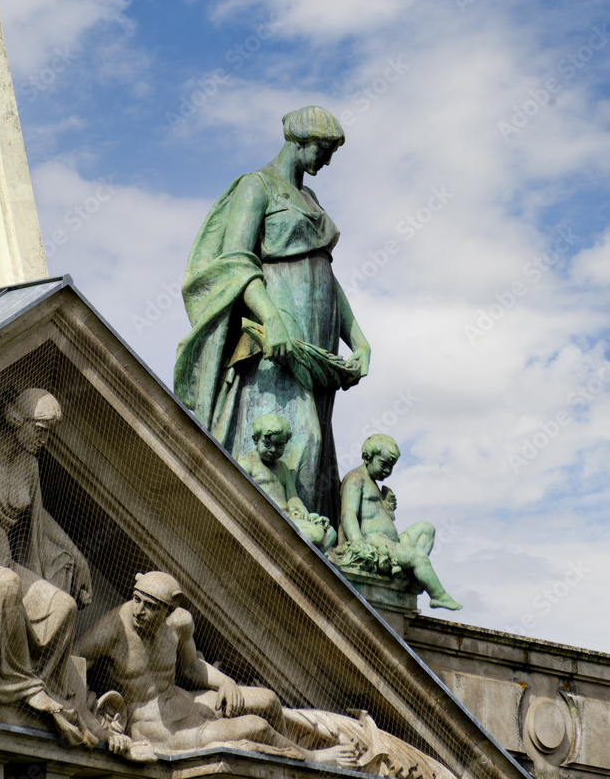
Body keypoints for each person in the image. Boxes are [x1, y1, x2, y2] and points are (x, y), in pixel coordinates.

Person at [174, 106, 371, 523]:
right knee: (299, 436)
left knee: (316, 451)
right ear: (298, 140)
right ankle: (264, 532)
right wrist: (272, 318)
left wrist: (358, 338)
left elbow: (326, 274)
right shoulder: (255, 186)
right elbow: (237, 263)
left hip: (317, 338)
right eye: (323, 148)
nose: (327, 160)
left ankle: (313, 540)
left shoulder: (310, 198)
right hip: (278, 335)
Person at [75, 571, 357, 766]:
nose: (138, 611)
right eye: (137, 600)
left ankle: (286, 755)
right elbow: (74, 660)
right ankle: (310, 759)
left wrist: (226, 682)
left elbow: (193, 667)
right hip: (157, 728)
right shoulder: (114, 628)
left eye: (150, 606)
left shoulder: (180, 624)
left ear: (169, 611)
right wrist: (92, 720)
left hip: (182, 699)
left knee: (269, 700)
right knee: (255, 726)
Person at [0, 389, 95, 746]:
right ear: (17, 420)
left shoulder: (30, 466)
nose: (44, 440)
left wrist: (79, 556)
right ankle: (7, 682)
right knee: (6, 584)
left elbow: (38, 520)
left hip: (2, 556)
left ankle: (41, 686)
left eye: (49, 432)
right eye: (40, 429)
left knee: (63, 607)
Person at [335, 435, 462, 610]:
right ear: (367, 457)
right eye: (383, 464)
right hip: (375, 542)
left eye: (391, 466)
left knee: (426, 528)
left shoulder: (373, 483)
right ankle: (438, 595)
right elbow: (348, 514)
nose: (387, 470)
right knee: (418, 558)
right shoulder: (355, 479)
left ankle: (410, 572)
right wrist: (357, 542)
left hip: (392, 542)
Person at [239, 414, 336, 552]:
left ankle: (299, 556)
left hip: (288, 517)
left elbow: (292, 497)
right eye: (267, 444)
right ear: (255, 440)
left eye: (279, 446)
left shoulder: (282, 467)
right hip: (266, 519)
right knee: (316, 534)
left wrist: (304, 513)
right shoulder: (247, 465)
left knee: (330, 532)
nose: (273, 450)